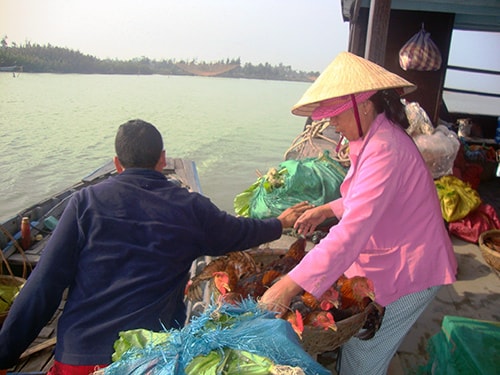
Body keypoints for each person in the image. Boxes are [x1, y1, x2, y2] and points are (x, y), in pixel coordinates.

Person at [0, 119, 311, 375]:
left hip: (79, 359)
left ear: (116, 164)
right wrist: (280, 222)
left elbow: (43, 287)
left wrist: (4, 354)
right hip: (151, 362)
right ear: (162, 159)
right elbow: (240, 232)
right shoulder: (191, 207)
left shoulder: (85, 203)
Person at [260, 52, 458, 375]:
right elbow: (362, 200)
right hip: (392, 256)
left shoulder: (385, 149)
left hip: (413, 269)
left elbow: (351, 231)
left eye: (336, 115)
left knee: (362, 355)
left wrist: (287, 286)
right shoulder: (371, 139)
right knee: (369, 344)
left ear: (363, 105)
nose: (332, 123)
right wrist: (324, 209)